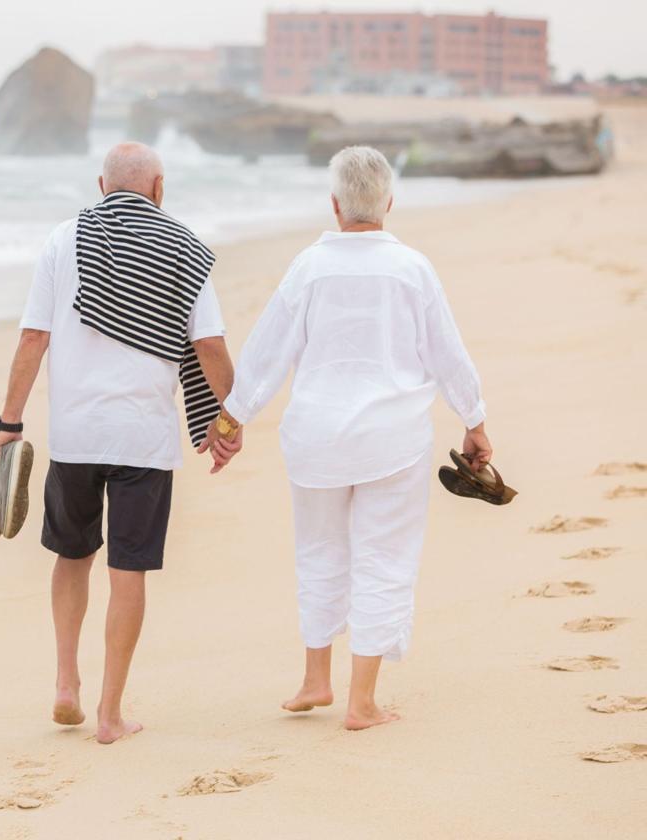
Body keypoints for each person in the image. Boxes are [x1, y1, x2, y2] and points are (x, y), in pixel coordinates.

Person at [206, 145, 492, 730]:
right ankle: (361, 701)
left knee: (319, 552)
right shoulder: (412, 268)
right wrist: (474, 419)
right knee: (383, 558)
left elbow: (267, 352)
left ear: (334, 205)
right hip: (392, 440)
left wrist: (232, 420)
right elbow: (447, 353)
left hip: (316, 439)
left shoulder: (309, 267)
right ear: (388, 202)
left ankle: (316, 679)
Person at [0, 142, 237, 744]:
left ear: (102, 185)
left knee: (72, 556)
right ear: (158, 188)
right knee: (129, 571)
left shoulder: (63, 239)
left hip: (76, 435)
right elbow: (208, 348)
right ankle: (109, 714)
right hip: (144, 442)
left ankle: (65, 683)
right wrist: (228, 419)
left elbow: (33, 336)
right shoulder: (185, 248)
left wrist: (9, 421)